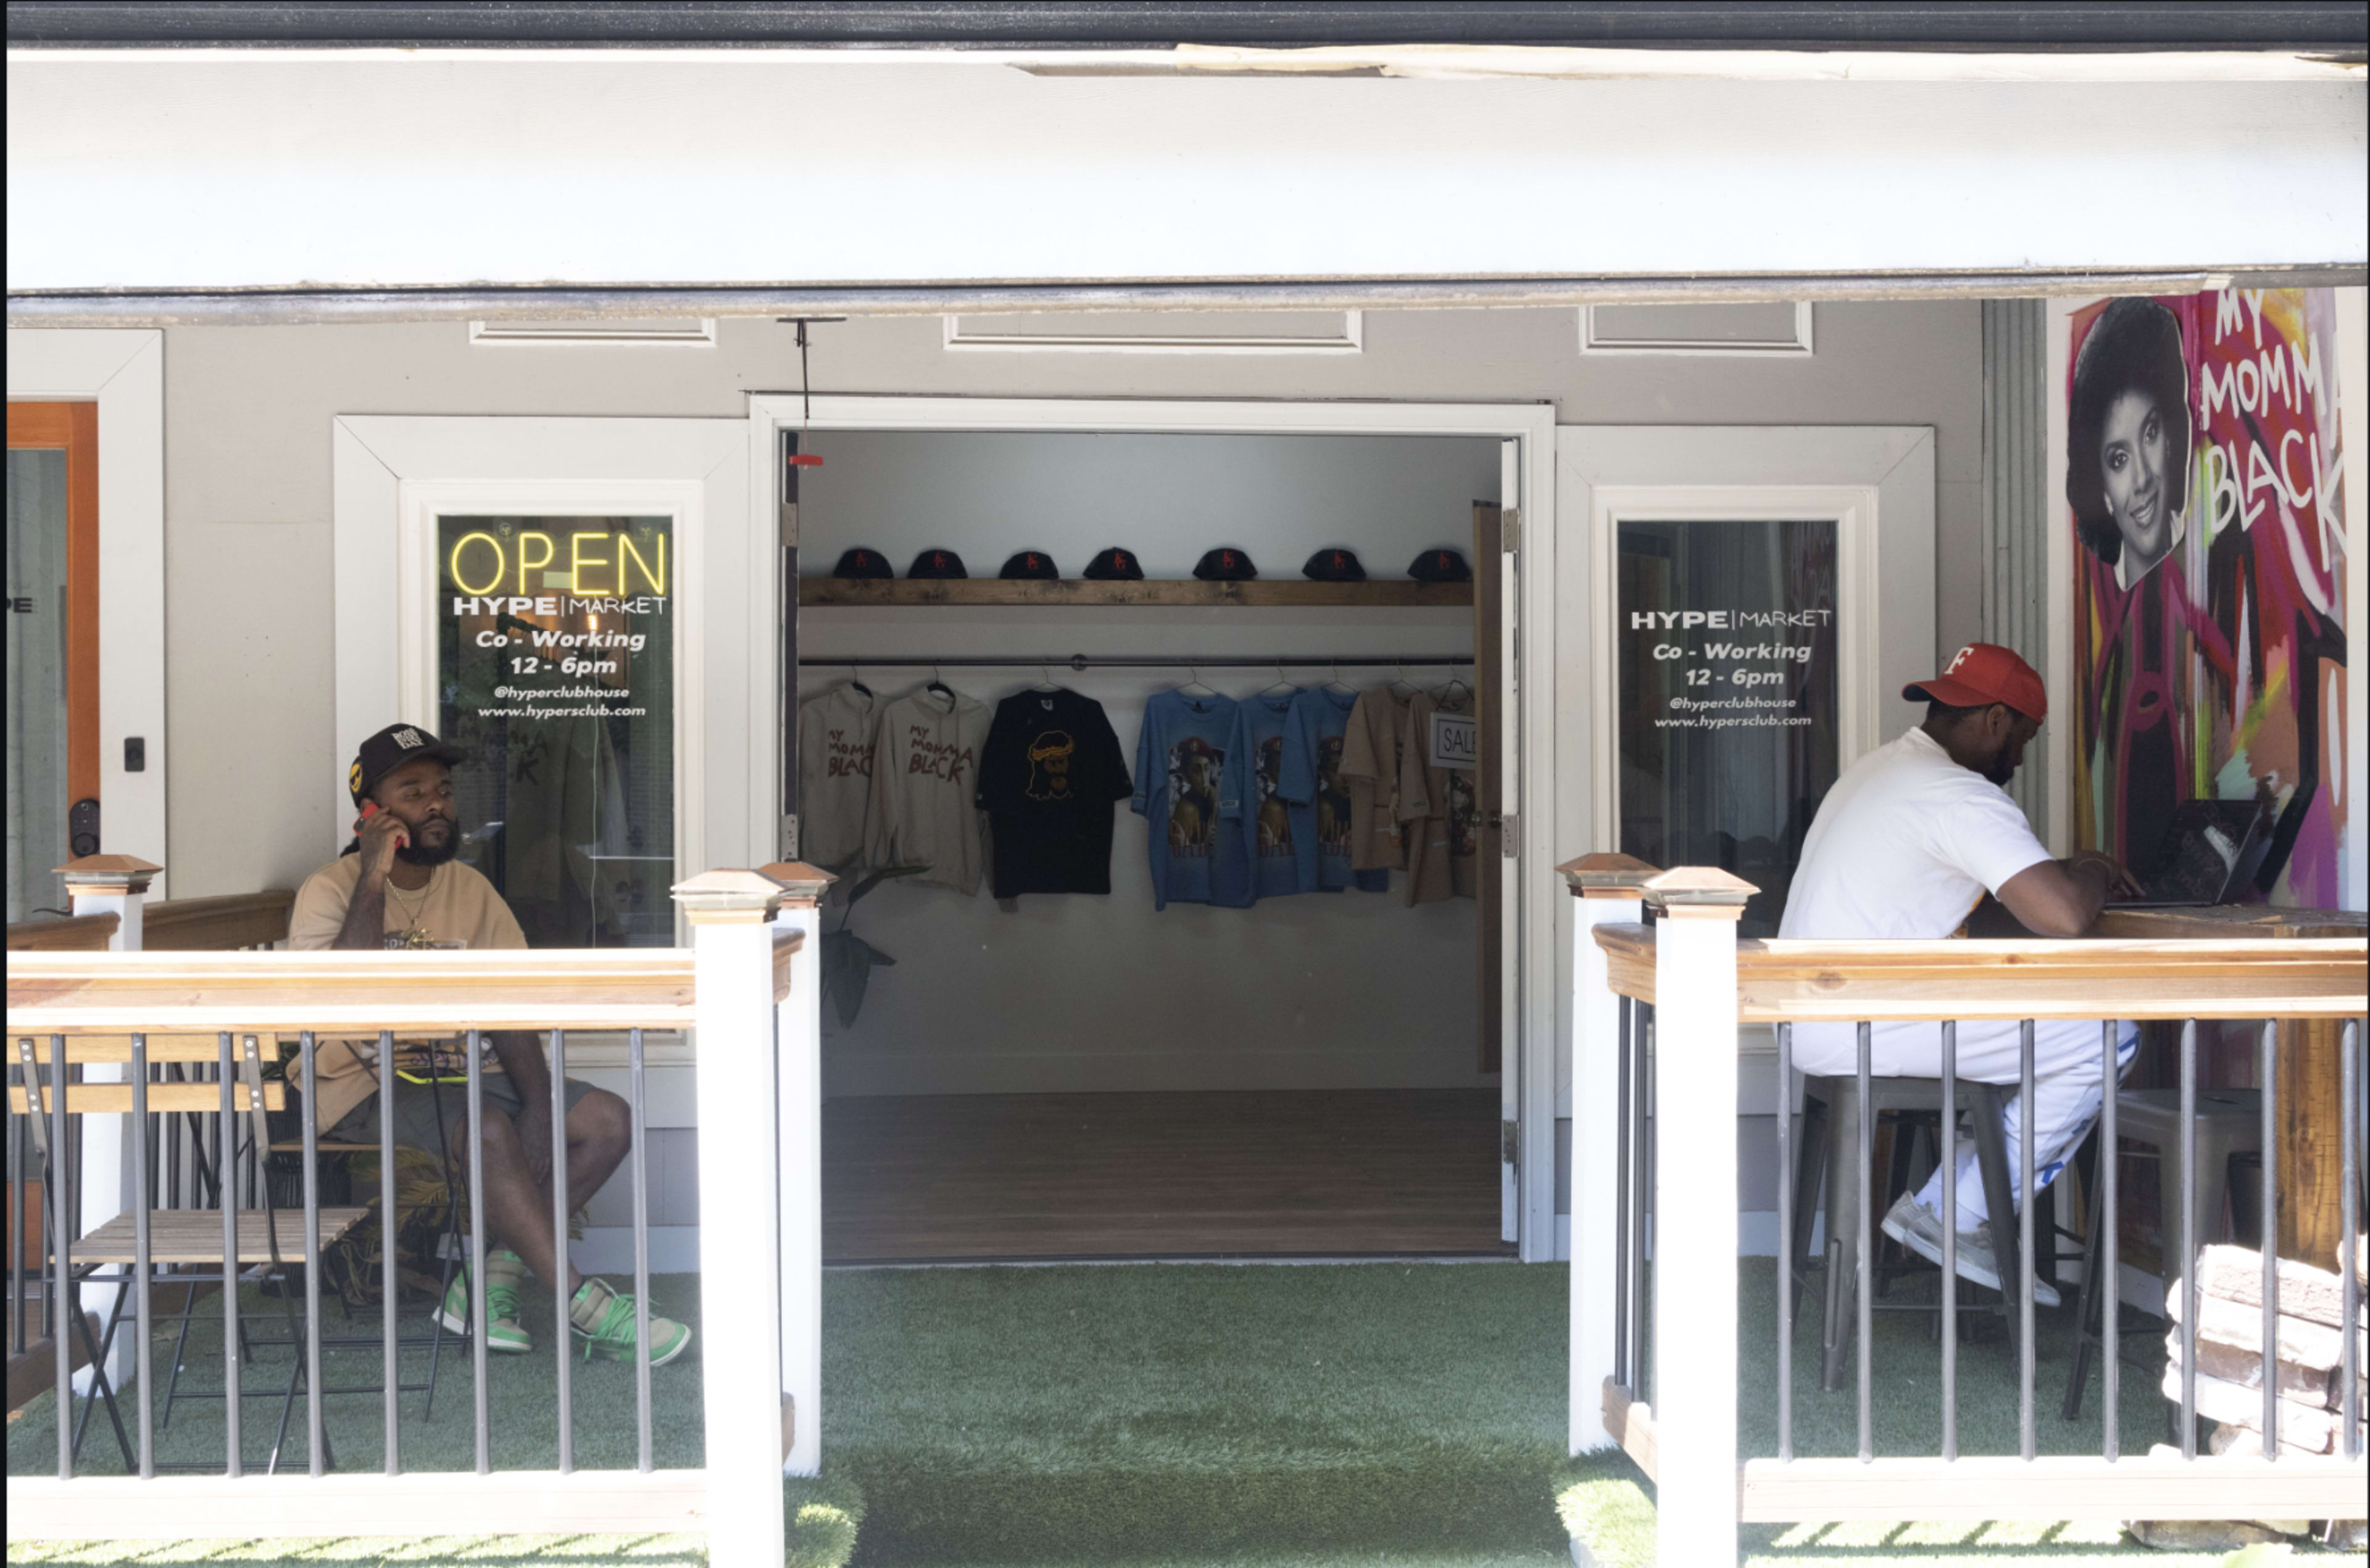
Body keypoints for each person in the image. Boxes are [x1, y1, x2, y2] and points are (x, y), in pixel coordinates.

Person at [288, 723, 690, 1366]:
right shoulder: (330, 890)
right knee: (489, 1128)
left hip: (462, 1069)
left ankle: (486, 1280)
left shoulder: (471, 891)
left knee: (607, 1121)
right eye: (413, 791)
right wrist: (373, 874)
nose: (437, 804)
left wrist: (538, 1104)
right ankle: (586, 1305)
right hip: (366, 1079)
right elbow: (339, 998)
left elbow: (510, 1003)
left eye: (443, 789)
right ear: (373, 808)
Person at [1778, 645, 2139, 1305]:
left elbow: (1989, 891)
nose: (2022, 760)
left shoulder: (1878, 771)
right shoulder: (1960, 796)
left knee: (2031, 1041)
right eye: (2025, 738)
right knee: (2107, 1034)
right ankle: (1954, 1214)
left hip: (1817, 1018)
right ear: (1998, 720)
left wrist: (2052, 872)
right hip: (1862, 1025)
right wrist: (2092, 870)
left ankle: (1950, 1205)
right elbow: (2061, 917)